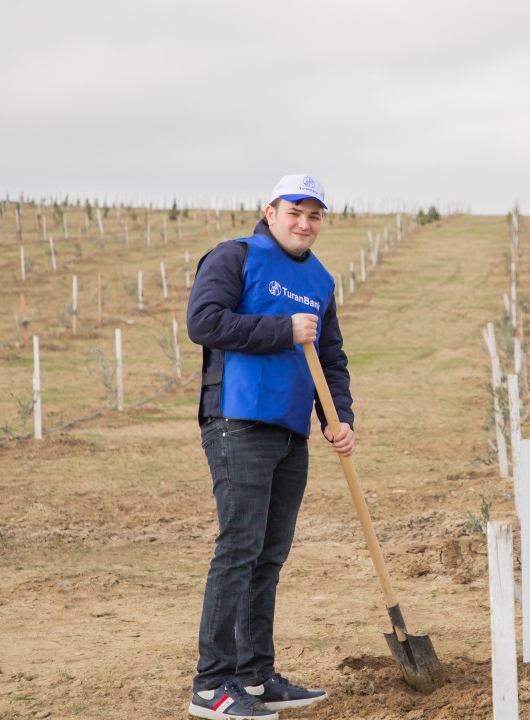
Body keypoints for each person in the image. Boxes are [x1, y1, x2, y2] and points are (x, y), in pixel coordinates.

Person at [186, 173, 352, 719]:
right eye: (294, 213)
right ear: (271, 212)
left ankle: (255, 677)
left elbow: (331, 359)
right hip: (237, 423)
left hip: (290, 432)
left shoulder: (322, 280)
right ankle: (213, 686)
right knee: (238, 549)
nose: (305, 224)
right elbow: (203, 322)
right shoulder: (234, 257)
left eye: (314, 215)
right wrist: (282, 329)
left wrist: (338, 417)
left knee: (269, 556)